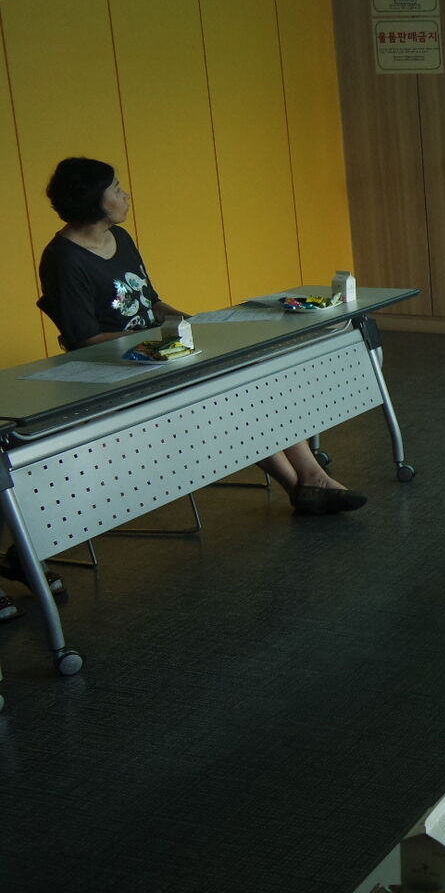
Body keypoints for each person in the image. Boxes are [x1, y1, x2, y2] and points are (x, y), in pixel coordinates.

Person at [10, 157, 367, 615]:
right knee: (233, 393)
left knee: (248, 378)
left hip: (162, 358)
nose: (125, 195)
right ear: (93, 200)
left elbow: (152, 302)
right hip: (116, 370)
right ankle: (307, 482)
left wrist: (191, 323)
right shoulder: (62, 258)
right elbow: (82, 340)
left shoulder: (119, 238)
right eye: (116, 189)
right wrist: (157, 341)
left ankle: (308, 481)